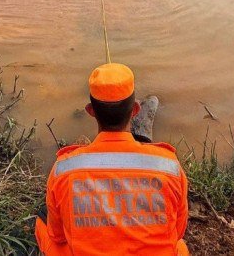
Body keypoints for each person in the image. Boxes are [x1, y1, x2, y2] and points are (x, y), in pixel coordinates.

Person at [35, 63, 190, 256]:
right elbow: (178, 230)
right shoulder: (169, 166)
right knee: (180, 247)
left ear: (90, 111)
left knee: (42, 224)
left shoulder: (63, 168)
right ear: (135, 110)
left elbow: (58, 236)